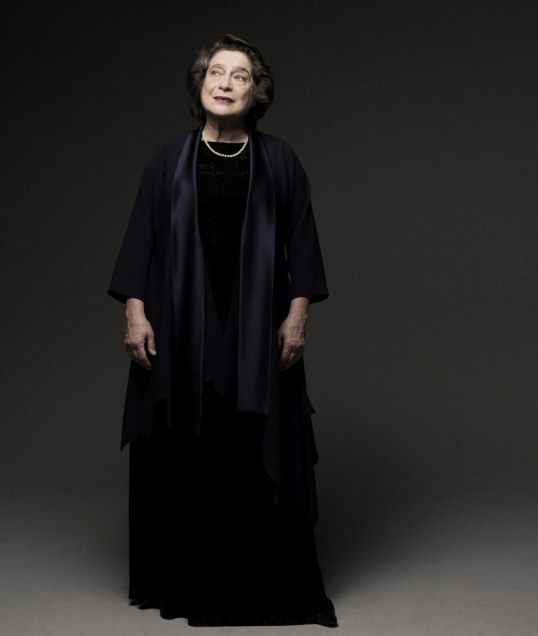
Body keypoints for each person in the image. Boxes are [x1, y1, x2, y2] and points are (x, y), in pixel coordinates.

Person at [107, 34, 337, 628]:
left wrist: (298, 317)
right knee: (190, 448)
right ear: (200, 84)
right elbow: (140, 241)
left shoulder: (280, 160)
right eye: (216, 72)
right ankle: (190, 584)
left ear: (257, 93)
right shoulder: (167, 159)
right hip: (180, 328)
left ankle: (259, 583)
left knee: (251, 446)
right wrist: (134, 312)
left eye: (240, 75)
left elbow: (303, 246)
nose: (225, 83)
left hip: (257, 328)